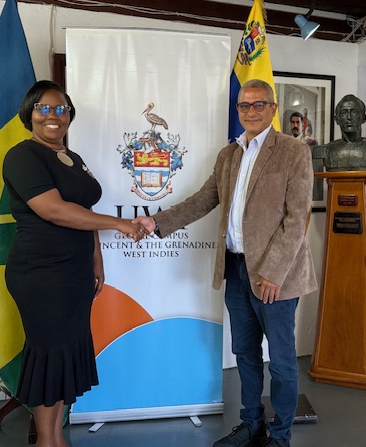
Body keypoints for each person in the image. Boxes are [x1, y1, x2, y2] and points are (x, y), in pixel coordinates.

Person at [134, 79, 317, 447]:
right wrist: (157, 222)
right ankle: (252, 425)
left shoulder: (294, 151)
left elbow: (297, 218)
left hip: (275, 276)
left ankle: (281, 436)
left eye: (259, 104)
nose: (251, 111)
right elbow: (203, 199)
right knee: (245, 353)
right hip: (236, 269)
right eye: (244, 105)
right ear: (238, 110)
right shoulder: (229, 155)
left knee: (282, 360)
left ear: (273, 108)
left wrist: (273, 272)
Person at [2, 80, 143, 447]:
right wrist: (118, 224)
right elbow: (54, 210)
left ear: (69, 115)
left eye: (61, 109)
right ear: (30, 114)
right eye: (43, 108)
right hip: (41, 273)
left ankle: (55, 436)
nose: (53, 115)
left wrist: (96, 257)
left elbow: (84, 210)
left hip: (74, 272)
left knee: (66, 352)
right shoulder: (23, 156)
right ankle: (46, 441)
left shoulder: (73, 158)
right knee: (50, 354)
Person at [312, 94, 366, 171]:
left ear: (363, 118)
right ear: (337, 120)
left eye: (354, 112)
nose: (349, 117)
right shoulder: (324, 150)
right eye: (344, 113)